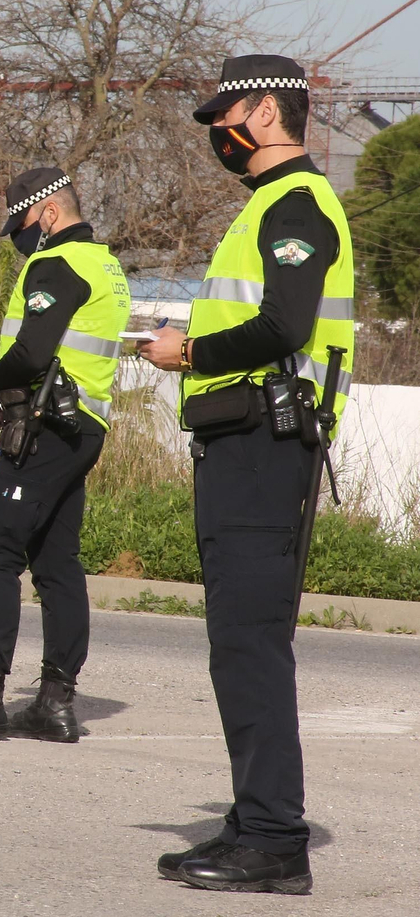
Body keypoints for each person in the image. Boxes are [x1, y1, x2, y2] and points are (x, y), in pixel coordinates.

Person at [137, 55, 351, 895]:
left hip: (267, 447)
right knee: (238, 644)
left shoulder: (295, 204)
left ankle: (273, 839)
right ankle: (249, 822)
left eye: (224, 119)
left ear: (266, 112)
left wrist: (186, 351)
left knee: (251, 645)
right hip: (243, 445)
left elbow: (285, 324)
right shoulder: (268, 207)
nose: (217, 136)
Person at [0, 168, 129, 744]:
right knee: (57, 563)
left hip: (48, 432)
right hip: (81, 427)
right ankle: (54, 705)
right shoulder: (103, 263)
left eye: (23, 226)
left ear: (50, 214)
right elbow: (63, 357)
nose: (19, 240)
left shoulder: (55, 263)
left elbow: (34, 354)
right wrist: (0, 390)